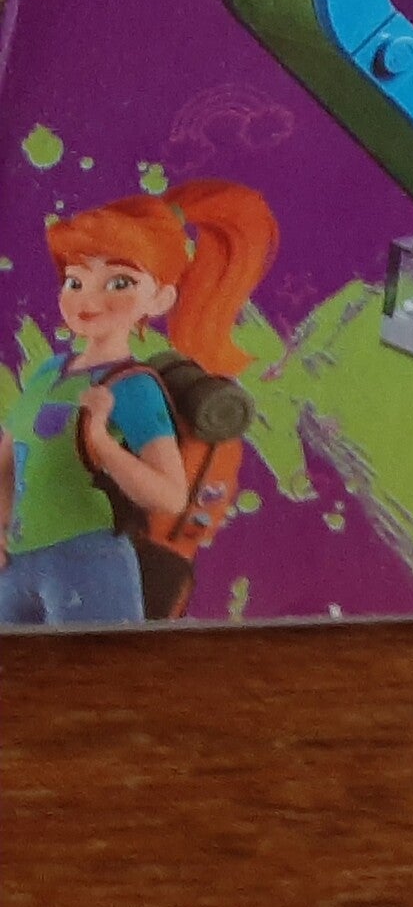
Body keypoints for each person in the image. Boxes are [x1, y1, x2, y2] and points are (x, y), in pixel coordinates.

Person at [0, 180, 277, 627]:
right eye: (75, 280)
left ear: (160, 298)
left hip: (87, 563)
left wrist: (102, 443)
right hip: (18, 565)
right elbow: (9, 460)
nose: (90, 299)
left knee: (101, 670)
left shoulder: (132, 387)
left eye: (119, 282)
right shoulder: (47, 373)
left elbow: (169, 495)